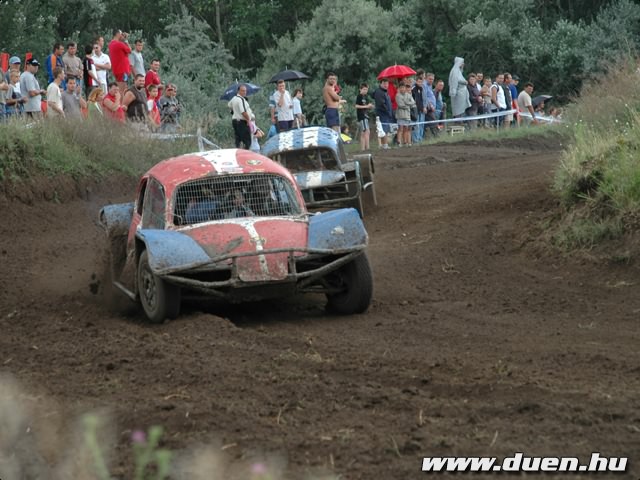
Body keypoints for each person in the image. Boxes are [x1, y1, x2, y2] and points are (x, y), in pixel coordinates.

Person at [228, 84, 253, 149]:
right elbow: (243, 112)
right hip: (242, 121)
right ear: (238, 91)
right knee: (247, 141)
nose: (244, 92)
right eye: (242, 91)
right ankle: (245, 153)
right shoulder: (241, 99)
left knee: (238, 140)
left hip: (235, 120)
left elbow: (229, 105)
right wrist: (248, 120)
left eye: (245, 91)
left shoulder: (234, 98)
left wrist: (234, 111)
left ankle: (238, 151)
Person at [108, 29, 132, 94]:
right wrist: (126, 40)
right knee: (122, 89)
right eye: (121, 34)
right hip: (123, 70)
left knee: (121, 88)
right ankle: (121, 100)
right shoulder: (119, 44)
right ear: (118, 34)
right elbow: (130, 50)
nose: (122, 35)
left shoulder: (111, 44)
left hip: (117, 70)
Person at [374, 78, 393, 149]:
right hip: (382, 114)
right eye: (384, 83)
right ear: (380, 84)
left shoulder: (385, 92)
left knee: (385, 129)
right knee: (383, 129)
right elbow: (381, 104)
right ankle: (384, 144)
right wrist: (388, 111)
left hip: (386, 114)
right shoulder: (379, 92)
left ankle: (384, 144)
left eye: (387, 84)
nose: (386, 85)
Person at [395, 82, 415, 147]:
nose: (402, 89)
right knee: (400, 128)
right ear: (399, 88)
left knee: (406, 128)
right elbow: (400, 105)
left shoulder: (408, 95)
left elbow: (413, 102)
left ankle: (405, 142)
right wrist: (408, 105)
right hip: (400, 115)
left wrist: (406, 103)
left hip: (407, 115)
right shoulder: (398, 95)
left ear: (405, 88)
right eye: (401, 88)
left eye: (403, 87)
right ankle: (399, 142)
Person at [355, 83, 374, 150]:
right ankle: (366, 148)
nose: (365, 91)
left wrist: (370, 106)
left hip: (366, 115)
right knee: (366, 131)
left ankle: (364, 148)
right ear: (360, 89)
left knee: (365, 132)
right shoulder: (359, 96)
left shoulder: (365, 97)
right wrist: (366, 106)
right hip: (362, 116)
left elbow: (367, 105)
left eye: (366, 89)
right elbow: (356, 106)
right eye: (364, 89)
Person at [411, 76, 426, 144]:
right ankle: (415, 140)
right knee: (416, 125)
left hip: (421, 110)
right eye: (419, 82)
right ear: (416, 81)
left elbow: (423, 99)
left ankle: (420, 138)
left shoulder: (422, 89)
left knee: (421, 125)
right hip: (415, 110)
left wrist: (424, 107)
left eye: (421, 82)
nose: (420, 83)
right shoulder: (413, 89)